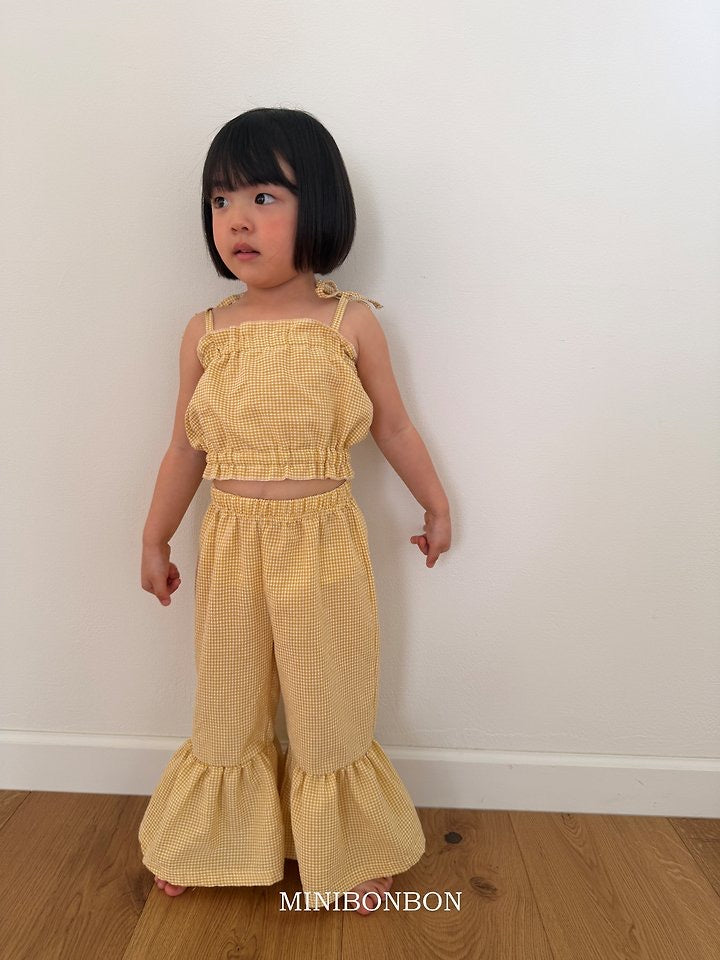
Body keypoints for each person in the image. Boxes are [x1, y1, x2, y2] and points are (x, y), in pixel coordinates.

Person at [138, 107, 452, 916]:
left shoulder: (350, 323)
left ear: (319, 206)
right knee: (229, 696)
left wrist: (434, 502)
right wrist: (155, 537)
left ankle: (345, 850)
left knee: (326, 696)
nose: (237, 220)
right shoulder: (206, 333)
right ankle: (209, 840)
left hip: (323, 545)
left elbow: (393, 426)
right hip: (232, 545)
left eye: (264, 197)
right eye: (220, 201)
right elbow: (184, 448)